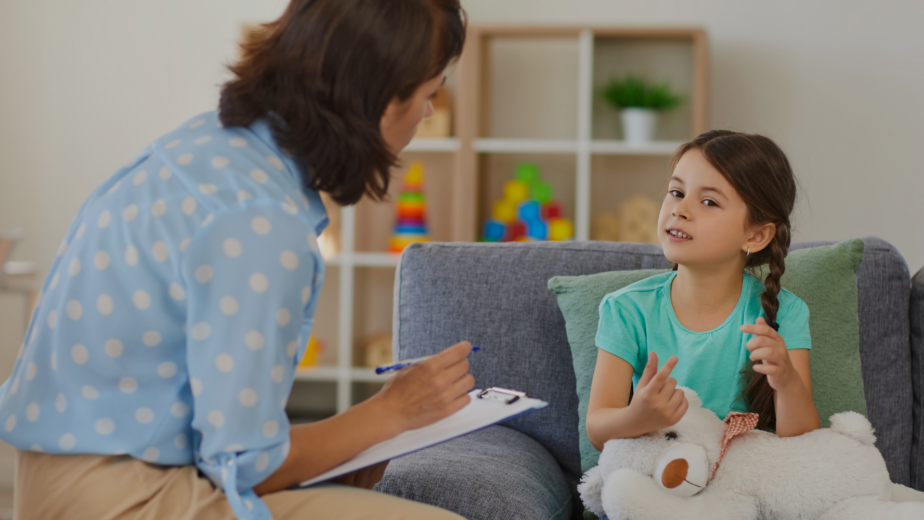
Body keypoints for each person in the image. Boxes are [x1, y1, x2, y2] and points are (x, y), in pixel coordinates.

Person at [0, 1, 474, 519]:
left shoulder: (212, 147)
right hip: (122, 495)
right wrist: (393, 411)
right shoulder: (261, 221)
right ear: (384, 103)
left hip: (69, 476)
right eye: (429, 93)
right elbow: (250, 463)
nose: (429, 111)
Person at [586, 130, 820, 450]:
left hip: (742, 480)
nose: (679, 209)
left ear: (756, 236)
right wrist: (638, 417)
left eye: (709, 201)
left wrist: (787, 381)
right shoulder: (626, 309)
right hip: (659, 474)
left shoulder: (786, 314)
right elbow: (597, 430)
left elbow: (803, 440)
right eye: (676, 191)